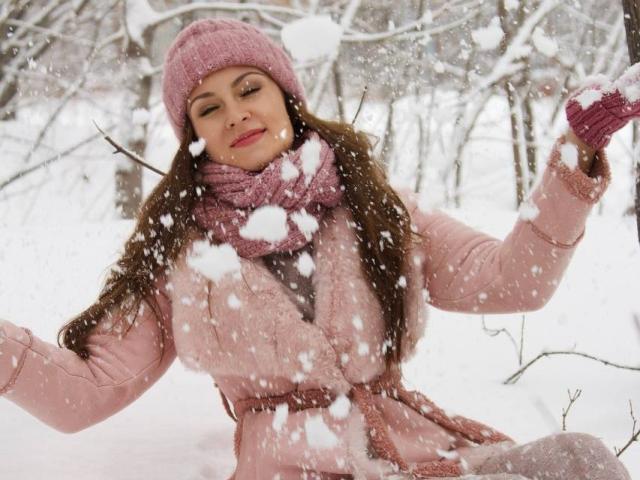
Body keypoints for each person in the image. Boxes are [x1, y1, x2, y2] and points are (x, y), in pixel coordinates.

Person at [0, 17, 634, 480]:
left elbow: (513, 280)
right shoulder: (182, 255)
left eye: (250, 88)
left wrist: (575, 159)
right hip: (294, 466)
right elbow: (86, 392)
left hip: (413, 451)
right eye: (208, 108)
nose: (235, 114)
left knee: (578, 460)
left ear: (286, 96)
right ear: (193, 135)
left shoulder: (374, 208)